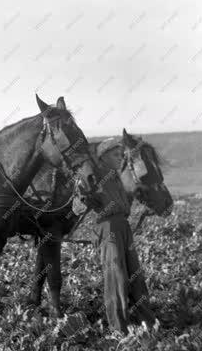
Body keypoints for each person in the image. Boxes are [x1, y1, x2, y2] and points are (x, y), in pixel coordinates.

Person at [75, 138, 157, 333]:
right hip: (107, 228)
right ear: (103, 156)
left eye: (121, 155)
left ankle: (146, 320)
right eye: (115, 154)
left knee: (135, 274)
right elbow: (78, 205)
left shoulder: (118, 177)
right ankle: (119, 327)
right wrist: (83, 194)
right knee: (116, 276)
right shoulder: (93, 175)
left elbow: (136, 189)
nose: (120, 158)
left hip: (123, 226)